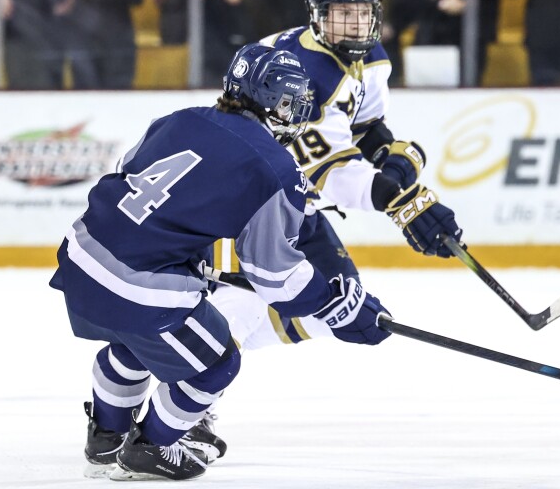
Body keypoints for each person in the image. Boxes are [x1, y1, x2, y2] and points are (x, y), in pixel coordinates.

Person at [49, 42, 391, 481]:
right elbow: (274, 274)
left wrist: (180, 252)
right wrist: (331, 303)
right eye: (289, 101)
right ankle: (151, 446)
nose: (296, 111)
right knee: (218, 363)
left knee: (135, 346)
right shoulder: (275, 168)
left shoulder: (179, 118)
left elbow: (125, 172)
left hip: (80, 256)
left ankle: (105, 438)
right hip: (138, 286)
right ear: (269, 99)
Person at [206, 0, 463, 351]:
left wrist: (392, 163)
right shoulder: (305, 74)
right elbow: (326, 171)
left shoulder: (372, 57)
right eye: (343, 13)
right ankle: (194, 387)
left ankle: (217, 347)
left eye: (363, 12)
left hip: (291, 199)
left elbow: (363, 128)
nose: (356, 23)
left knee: (342, 305)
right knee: (241, 302)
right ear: (317, 13)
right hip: (240, 198)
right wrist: (395, 199)